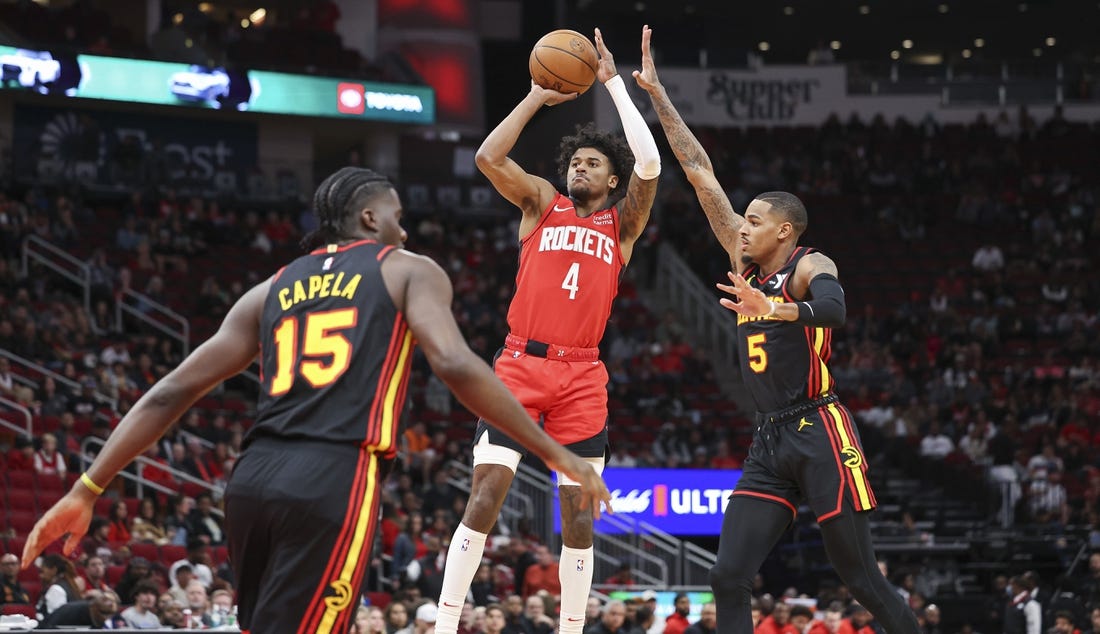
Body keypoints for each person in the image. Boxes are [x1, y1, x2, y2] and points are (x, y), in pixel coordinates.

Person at [19, 167, 611, 634]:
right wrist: (559, 454)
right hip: (332, 478)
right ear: (369, 216)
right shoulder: (406, 269)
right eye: (398, 219)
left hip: (250, 482)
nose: (405, 232)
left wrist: (87, 487)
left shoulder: (272, 287)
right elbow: (456, 364)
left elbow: (173, 389)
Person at [633, 26, 921, 634]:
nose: (743, 227)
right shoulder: (743, 261)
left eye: (756, 221)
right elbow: (698, 170)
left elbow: (837, 312)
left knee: (860, 578)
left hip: (820, 427)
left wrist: (776, 311)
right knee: (726, 575)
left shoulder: (808, 266)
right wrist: (656, 95)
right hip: (768, 441)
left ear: (784, 233)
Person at [436, 25, 659, 634]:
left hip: (582, 373)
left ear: (611, 181)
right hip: (518, 365)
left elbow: (650, 161)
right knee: (485, 498)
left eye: (592, 163)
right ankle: (446, 622)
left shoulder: (623, 227)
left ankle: (570, 629)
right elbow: (488, 157)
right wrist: (536, 95)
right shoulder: (540, 203)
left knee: (579, 516)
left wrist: (611, 82)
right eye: (575, 162)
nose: (579, 167)